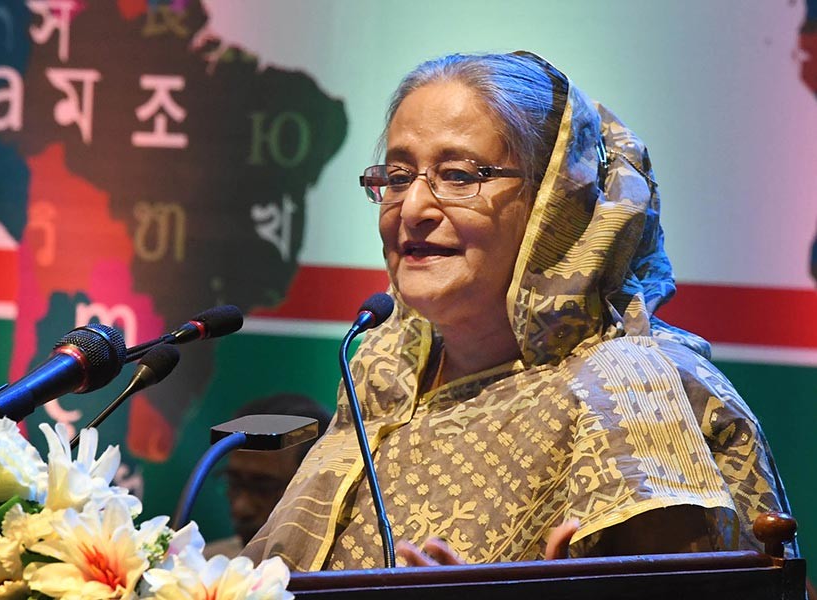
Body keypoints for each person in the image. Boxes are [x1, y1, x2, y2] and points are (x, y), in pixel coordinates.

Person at [241, 51, 792, 571]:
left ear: (555, 206)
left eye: (458, 176)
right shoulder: (383, 377)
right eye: (399, 176)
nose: (411, 208)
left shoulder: (637, 394)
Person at [204, 393, 332, 558]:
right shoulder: (203, 571)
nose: (241, 507)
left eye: (263, 488)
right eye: (234, 483)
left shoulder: (347, 572)